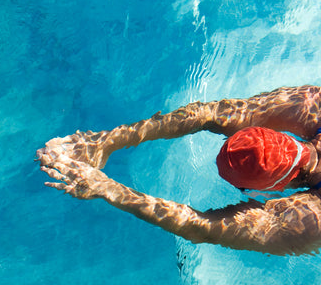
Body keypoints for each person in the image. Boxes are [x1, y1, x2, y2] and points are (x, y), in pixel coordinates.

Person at [36, 85, 321, 256]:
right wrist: (105, 142)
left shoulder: (312, 222)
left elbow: (203, 227)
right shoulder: (312, 104)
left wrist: (106, 188)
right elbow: (208, 115)